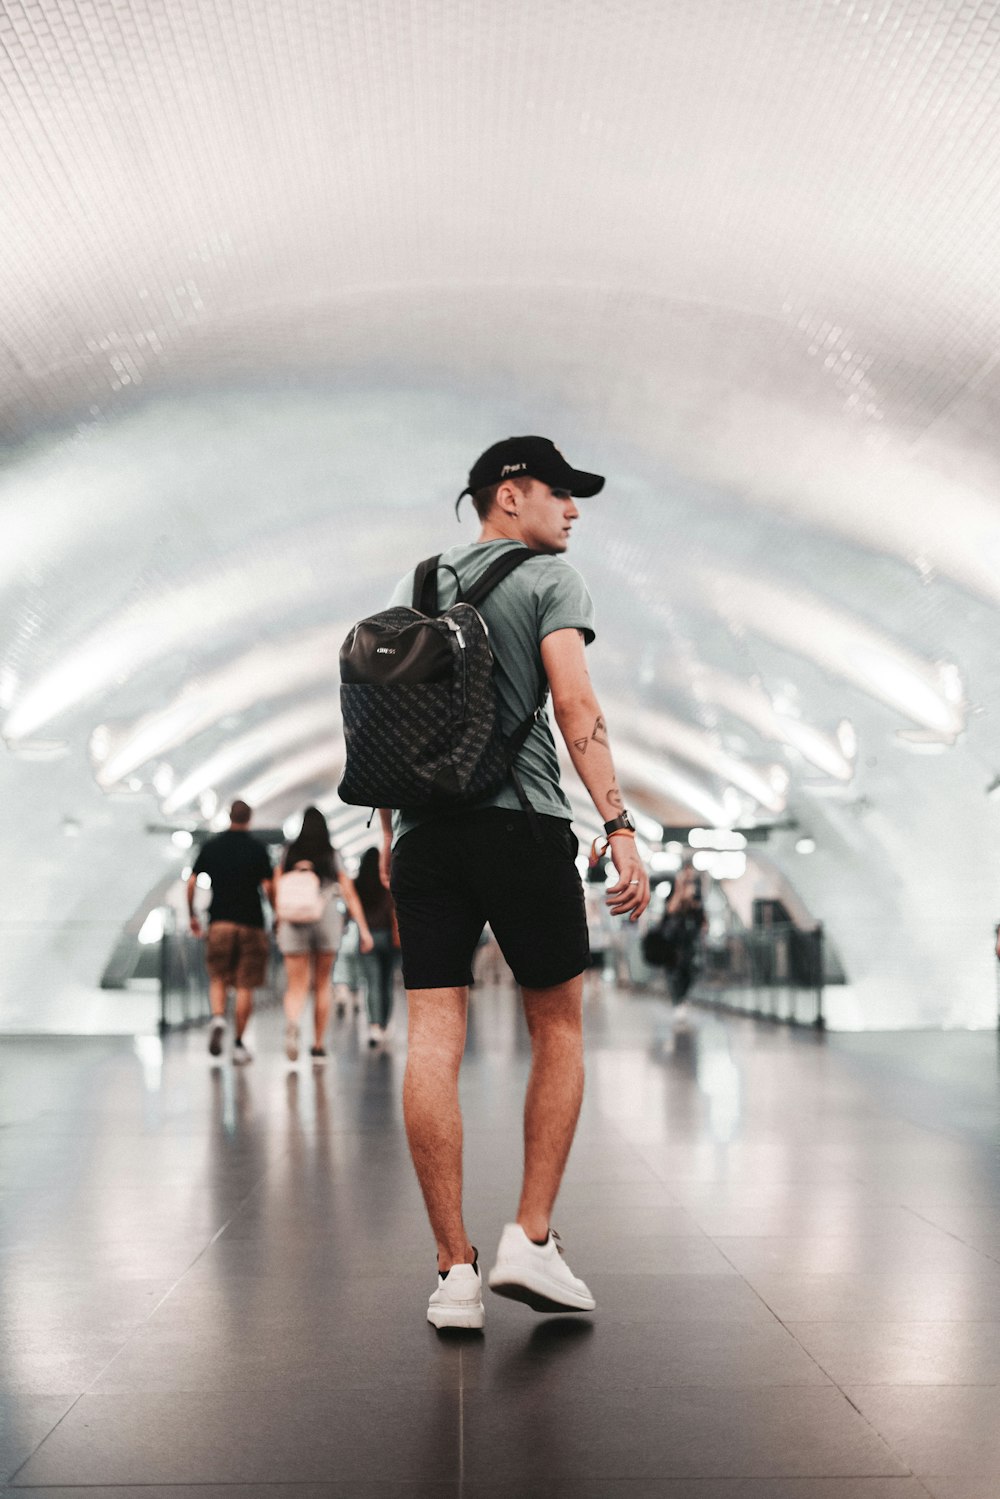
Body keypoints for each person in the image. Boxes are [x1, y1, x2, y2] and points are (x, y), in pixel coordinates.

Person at [378, 435, 650, 1331]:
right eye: (561, 493)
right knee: (558, 1024)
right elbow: (575, 704)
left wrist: (389, 833)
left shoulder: (418, 584)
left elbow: (387, 716)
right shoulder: (548, 581)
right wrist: (617, 825)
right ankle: (529, 1238)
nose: (572, 511)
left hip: (422, 834)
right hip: (522, 822)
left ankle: (453, 1272)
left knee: (432, 1034)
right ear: (509, 494)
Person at [274, 807, 373, 1063]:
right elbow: (348, 891)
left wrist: (278, 916)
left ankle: (293, 1023)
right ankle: (318, 1046)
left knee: (296, 985)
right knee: (322, 984)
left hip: (293, 917)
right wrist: (363, 928)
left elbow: (276, 885)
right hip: (325, 915)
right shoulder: (331, 853)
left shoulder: (288, 851)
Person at [188, 799, 274, 1065]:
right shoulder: (258, 848)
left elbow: (191, 882)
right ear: (249, 818)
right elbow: (269, 887)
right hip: (251, 922)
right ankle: (238, 1044)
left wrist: (192, 914)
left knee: (218, 977)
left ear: (229, 816)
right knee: (245, 985)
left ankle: (217, 1017)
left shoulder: (212, 846)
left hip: (220, 921)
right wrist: (276, 912)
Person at [353, 846, 400, 1047]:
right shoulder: (387, 882)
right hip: (390, 937)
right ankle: (385, 1024)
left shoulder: (358, 884)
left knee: (372, 982)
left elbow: (350, 912)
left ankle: (374, 1027)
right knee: (386, 982)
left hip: (368, 938)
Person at [659, 865, 707, 1022]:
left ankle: (682, 1000)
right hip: (673, 943)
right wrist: (680, 893)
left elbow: (702, 918)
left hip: (689, 942)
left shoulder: (697, 894)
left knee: (690, 971)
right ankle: (677, 1002)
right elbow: (669, 911)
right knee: (673, 973)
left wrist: (693, 901)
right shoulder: (673, 893)